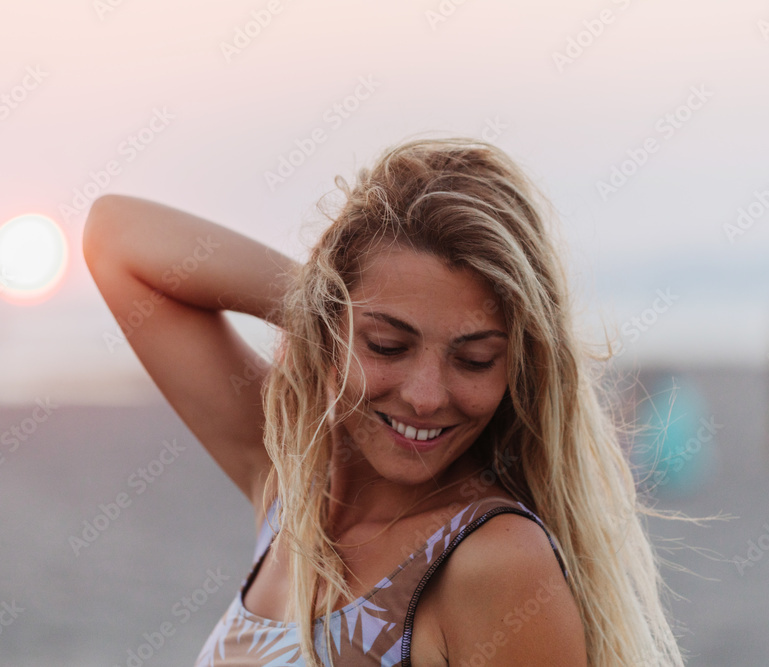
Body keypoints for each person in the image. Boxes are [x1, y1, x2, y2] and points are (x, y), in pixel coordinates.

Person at [82, 137, 685, 666]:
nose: (426, 397)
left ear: (517, 369)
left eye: (474, 359)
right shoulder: (289, 487)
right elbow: (114, 238)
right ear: (331, 330)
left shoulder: (492, 562)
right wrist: (317, 303)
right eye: (388, 344)